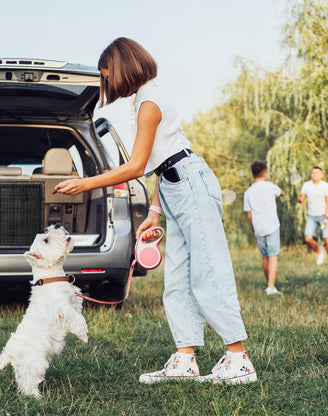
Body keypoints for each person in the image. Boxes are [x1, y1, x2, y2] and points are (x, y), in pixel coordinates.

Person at [54, 37, 256, 385]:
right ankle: (185, 358)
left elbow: (136, 166)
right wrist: (155, 211)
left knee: (208, 271)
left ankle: (239, 359)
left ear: (121, 68)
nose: (106, 84)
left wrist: (86, 183)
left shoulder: (150, 102)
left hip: (191, 185)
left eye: (106, 75)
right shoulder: (141, 101)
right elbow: (164, 161)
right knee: (177, 279)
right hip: (174, 185)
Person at [243, 162, 284, 295]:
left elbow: (249, 215)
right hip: (272, 226)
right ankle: (271, 287)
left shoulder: (248, 192)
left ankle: (269, 286)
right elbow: (281, 193)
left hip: (258, 228)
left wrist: (253, 229)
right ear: (265, 174)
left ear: (252, 174)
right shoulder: (270, 186)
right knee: (273, 256)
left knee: (265, 257)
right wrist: (281, 193)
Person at [297, 167, 328, 265]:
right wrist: (300, 199)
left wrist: (326, 218)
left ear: (322, 175)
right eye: (313, 173)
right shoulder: (306, 185)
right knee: (308, 239)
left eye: (317, 173)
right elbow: (302, 200)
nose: (314, 174)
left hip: (324, 216)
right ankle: (320, 253)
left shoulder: (325, 186)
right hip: (312, 217)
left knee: (327, 240)